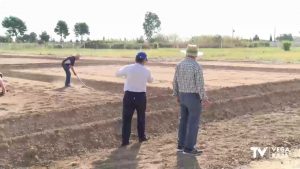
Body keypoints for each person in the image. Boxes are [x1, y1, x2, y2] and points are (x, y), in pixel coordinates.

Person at [173, 44, 210, 156]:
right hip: (193, 97)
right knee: (193, 122)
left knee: (183, 120)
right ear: (195, 55)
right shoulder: (196, 66)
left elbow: (175, 81)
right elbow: (200, 85)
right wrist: (204, 98)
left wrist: (176, 94)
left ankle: (181, 145)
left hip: (182, 95)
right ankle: (189, 148)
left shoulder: (179, 65)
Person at [116, 51, 153, 146]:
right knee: (141, 117)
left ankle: (125, 141)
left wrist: (125, 75)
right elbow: (151, 80)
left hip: (129, 95)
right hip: (141, 96)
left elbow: (117, 74)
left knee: (127, 119)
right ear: (144, 60)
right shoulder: (146, 70)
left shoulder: (128, 68)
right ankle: (141, 137)